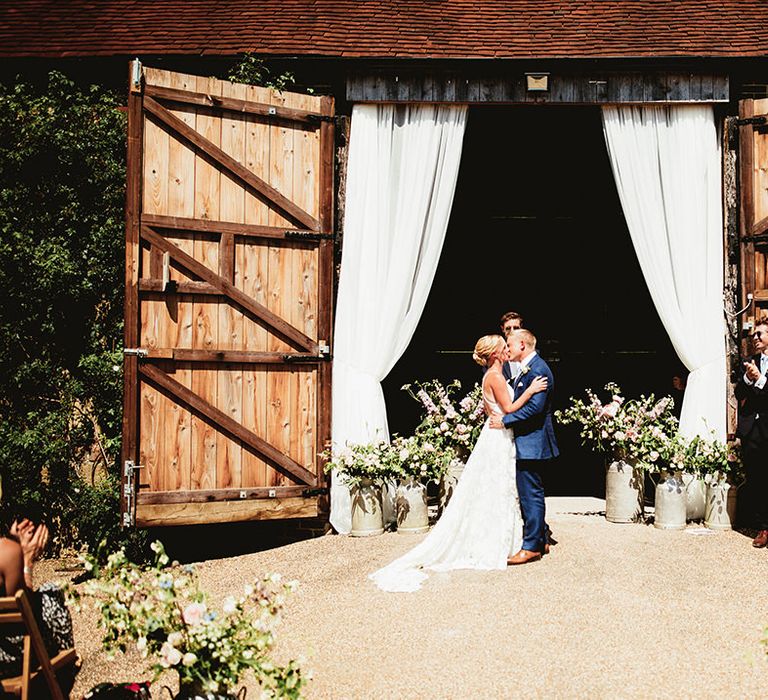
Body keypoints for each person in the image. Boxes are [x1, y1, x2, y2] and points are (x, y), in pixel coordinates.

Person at [370, 335, 548, 592]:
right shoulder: (496, 377)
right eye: (504, 346)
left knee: (498, 487)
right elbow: (508, 409)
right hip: (498, 436)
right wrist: (530, 391)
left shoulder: (494, 375)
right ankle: (496, 541)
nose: (507, 349)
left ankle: (509, 537)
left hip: (497, 433)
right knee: (497, 486)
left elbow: (496, 410)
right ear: (496, 353)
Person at [490, 328, 559, 565]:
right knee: (530, 492)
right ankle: (539, 538)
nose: (507, 349)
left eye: (510, 345)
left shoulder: (539, 370)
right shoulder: (526, 369)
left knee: (531, 494)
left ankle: (531, 547)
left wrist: (505, 421)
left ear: (523, 345)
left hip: (533, 441)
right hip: (528, 441)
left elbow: (534, 409)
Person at [0, 509, 77, 685]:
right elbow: (21, 618)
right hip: (7, 660)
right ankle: (64, 678)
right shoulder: (6, 552)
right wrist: (26, 560)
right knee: (51, 592)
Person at [735, 318, 768, 548]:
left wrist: (760, 380)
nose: (755, 338)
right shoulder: (750, 362)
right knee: (757, 480)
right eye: (754, 335)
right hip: (752, 430)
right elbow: (738, 393)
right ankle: (763, 527)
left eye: (760, 334)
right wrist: (748, 377)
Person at [499, 311, 523, 380]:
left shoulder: (531, 352)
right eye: (508, 328)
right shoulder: (496, 353)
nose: (512, 331)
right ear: (502, 329)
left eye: (516, 328)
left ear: (521, 328)